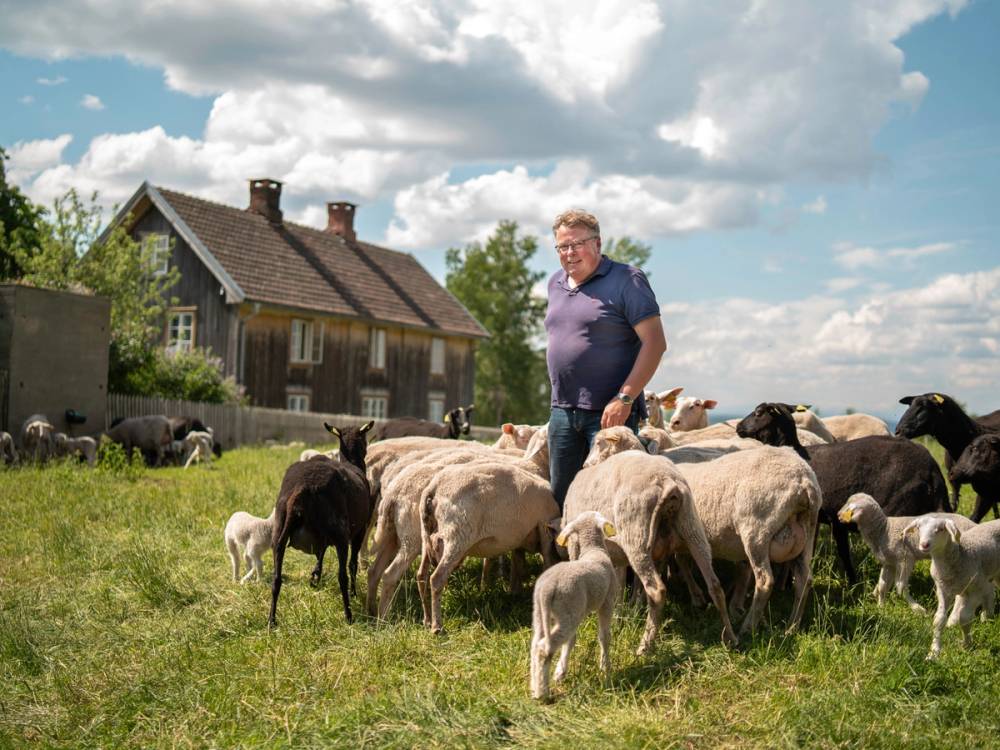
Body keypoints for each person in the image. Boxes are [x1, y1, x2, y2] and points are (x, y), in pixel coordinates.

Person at [545, 209, 666, 509]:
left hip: (610, 415)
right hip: (562, 412)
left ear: (597, 243)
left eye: (577, 244)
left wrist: (625, 399)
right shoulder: (555, 283)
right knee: (562, 503)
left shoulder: (627, 279)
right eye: (562, 246)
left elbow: (655, 343)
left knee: (608, 503)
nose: (569, 253)